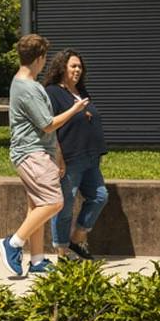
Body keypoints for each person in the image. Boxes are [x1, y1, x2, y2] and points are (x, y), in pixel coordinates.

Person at [0, 33, 88, 278]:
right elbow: (47, 124)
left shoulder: (25, 83)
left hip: (37, 152)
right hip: (32, 153)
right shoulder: (27, 88)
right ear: (40, 58)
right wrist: (75, 109)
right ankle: (13, 243)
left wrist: (57, 154)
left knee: (37, 206)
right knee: (53, 202)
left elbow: (45, 130)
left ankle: (37, 260)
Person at [42, 49, 108, 260]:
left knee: (100, 196)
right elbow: (50, 127)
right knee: (65, 205)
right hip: (69, 159)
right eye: (73, 66)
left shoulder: (82, 91)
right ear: (62, 68)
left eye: (80, 66)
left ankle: (77, 239)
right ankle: (62, 253)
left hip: (90, 158)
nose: (78, 70)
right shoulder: (53, 92)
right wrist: (58, 157)